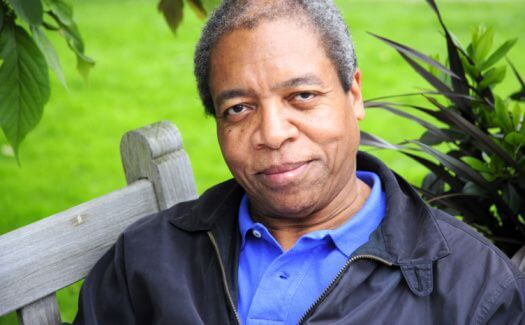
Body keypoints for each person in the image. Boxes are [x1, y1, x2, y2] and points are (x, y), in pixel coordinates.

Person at [73, 0, 525, 324]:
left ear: (354, 94)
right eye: (238, 109)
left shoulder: (475, 289)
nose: (272, 133)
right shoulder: (146, 262)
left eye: (302, 96)